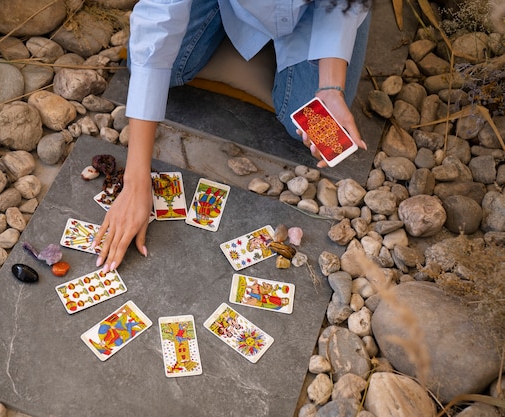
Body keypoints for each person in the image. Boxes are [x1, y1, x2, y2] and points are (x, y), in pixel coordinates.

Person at [94, 0, 372, 272]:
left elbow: (341, 6)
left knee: (310, 121)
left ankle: (269, 56)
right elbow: (156, 24)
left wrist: (330, 87)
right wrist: (135, 181)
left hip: (320, 12)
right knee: (155, 64)